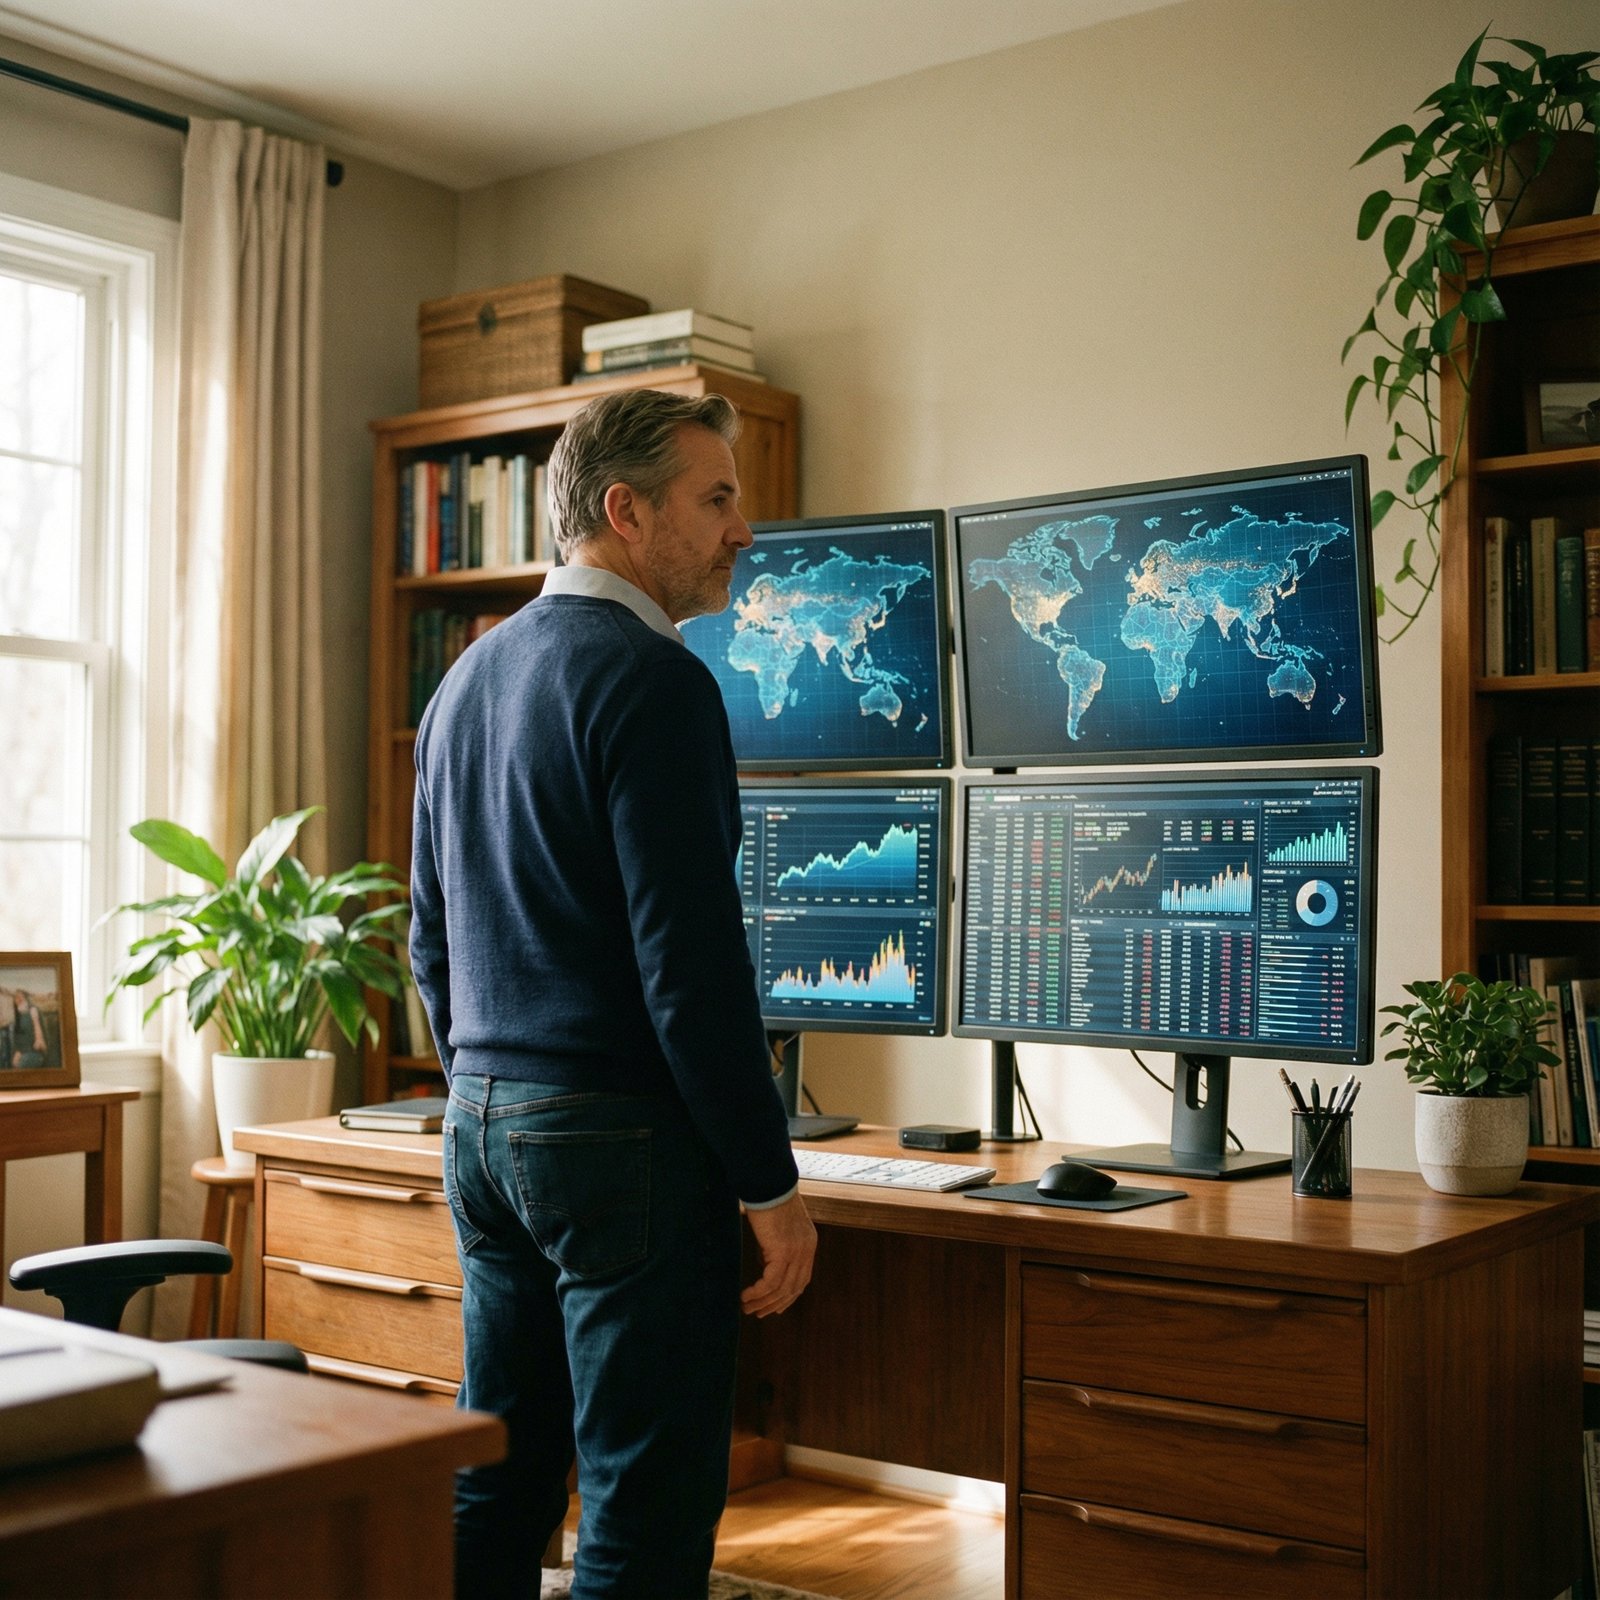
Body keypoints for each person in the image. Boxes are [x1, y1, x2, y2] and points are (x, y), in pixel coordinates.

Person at [410, 387, 817, 1600]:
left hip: (483, 1125)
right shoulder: (655, 680)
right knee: (643, 1508)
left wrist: (487, 1091)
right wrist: (770, 1185)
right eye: (717, 497)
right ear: (625, 511)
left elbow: (430, 936)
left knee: (499, 1473)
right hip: (621, 1143)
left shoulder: (466, 679)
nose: (744, 527)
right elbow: (691, 971)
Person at [9, 991, 46, 1070]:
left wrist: (19, 1052)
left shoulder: (33, 1012)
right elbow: (18, 1038)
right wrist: (17, 1052)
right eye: (16, 997)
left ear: (26, 999)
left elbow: (37, 1039)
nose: (18, 999)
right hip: (23, 1053)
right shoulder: (18, 1016)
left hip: (34, 1052)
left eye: (21, 997)